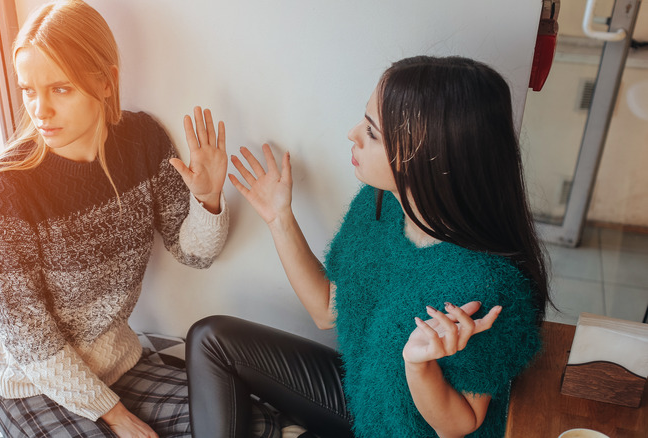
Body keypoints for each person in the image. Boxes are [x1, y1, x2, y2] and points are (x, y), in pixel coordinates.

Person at [186, 56, 551, 438]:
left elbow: (461, 425)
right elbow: (328, 309)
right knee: (212, 340)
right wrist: (280, 219)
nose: (352, 134)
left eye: (372, 133)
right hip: (364, 398)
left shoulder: (485, 284)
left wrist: (419, 366)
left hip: (408, 431)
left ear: (427, 154)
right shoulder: (378, 206)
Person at [0, 1, 229, 437]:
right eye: (28, 90)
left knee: (251, 424)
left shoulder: (142, 140)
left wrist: (207, 199)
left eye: (60, 88)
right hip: (35, 384)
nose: (40, 111)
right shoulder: (3, 191)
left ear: (106, 81)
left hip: (117, 364)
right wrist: (116, 417)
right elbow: (28, 334)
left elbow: (193, 254)